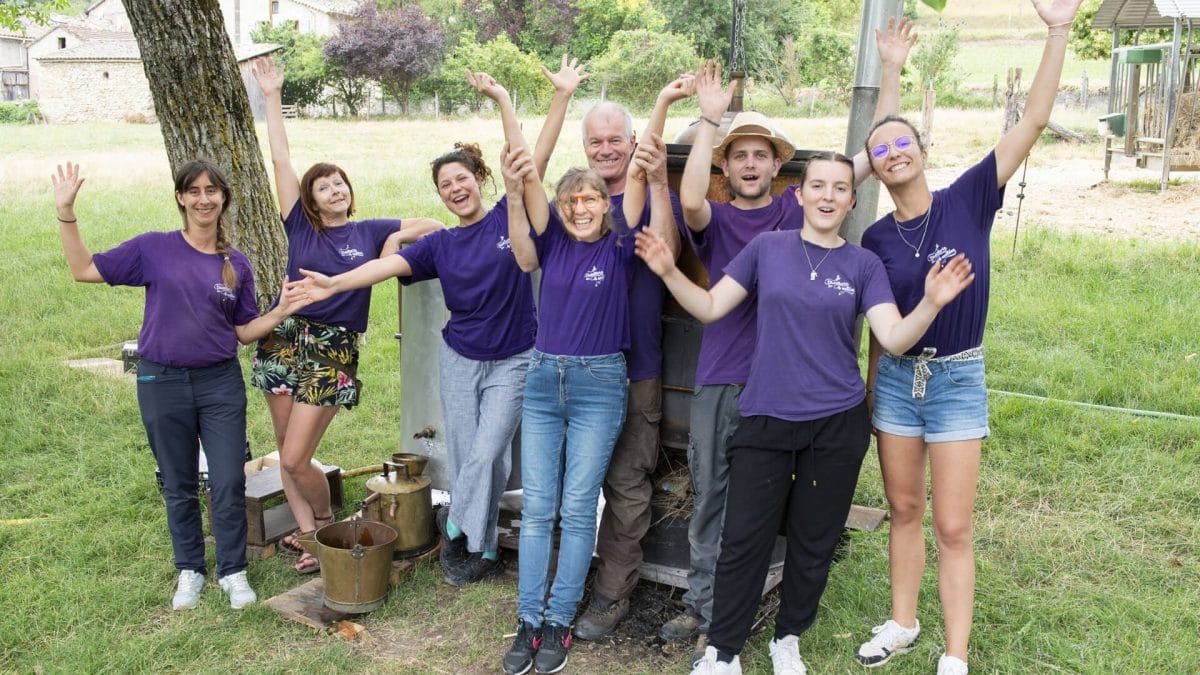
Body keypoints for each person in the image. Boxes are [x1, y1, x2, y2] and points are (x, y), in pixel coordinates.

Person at [635, 152, 974, 675]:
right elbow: (708, 307)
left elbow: (894, 337)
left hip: (836, 425)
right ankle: (723, 651)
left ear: (852, 200)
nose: (828, 196)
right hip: (767, 416)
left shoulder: (864, 264)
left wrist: (929, 302)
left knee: (813, 542)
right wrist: (665, 270)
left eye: (840, 188)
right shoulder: (766, 249)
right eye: (817, 185)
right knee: (745, 538)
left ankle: (787, 639)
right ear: (800, 194)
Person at [662, 21, 914, 652]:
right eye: (738, 155)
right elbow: (689, 197)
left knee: (789, 514)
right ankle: (708, 611)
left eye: (761, 155)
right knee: (714, 495)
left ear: (782, 171)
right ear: (727, 166)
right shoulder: (718, 219)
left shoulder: (797, 209)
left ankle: (776, 617)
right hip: (728, 374)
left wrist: (890, 72)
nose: (750, 164)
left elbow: (869, 157)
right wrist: (710, 119)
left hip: (797, 386)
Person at [854, 3, 1082, 673]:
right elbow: (880, 324)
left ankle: (954, 653)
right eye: (882, 150)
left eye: (905, 144)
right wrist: (871, 391)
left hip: (957, 377)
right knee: (901, 508)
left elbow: (1032, 121)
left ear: (925, 150)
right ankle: (902, 621)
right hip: (897, 380)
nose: (894, 153)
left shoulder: (970, 195)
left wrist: (1059, 30)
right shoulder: (873, 237)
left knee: (952, 525)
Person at [286, 71, 541, 588]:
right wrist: (334, 284)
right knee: (472, 454)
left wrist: (502, 98)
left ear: (479, 178)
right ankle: (483, 544)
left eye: (461, 179)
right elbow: (383, 269)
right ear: (441, 196)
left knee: (490, 451)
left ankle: (456, 528)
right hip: (460, 357)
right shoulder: (440, 245)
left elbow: (528, 161)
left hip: (515, 356)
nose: (455, 189)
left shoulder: (505, 217)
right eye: (445, 186)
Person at [52, 159, 309, 611]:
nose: (204, 198)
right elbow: (84, 270)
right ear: (180, 197)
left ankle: (233, 572)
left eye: (213, 190)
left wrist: (282, 308)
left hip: (219, 384)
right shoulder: (154, 249)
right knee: (179, 481)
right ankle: (189, 570)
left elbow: (244, 331)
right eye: (194, 191)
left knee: (229, 480)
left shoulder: (236, 263)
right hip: (161, 380)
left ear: (223, 198)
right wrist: (66, 213)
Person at [248, 57, 444, 575]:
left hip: (333, 347)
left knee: (293, 458)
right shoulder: (301, 229)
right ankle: (311, 535)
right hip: (285, 337)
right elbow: (280, 162)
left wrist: (395, 240)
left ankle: (327, 518)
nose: (335, 190)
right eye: (324, 186)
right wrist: (273, 97)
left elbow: (432, 224)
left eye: (340, 184)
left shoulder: (368, 230)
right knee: (286, 448)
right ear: (310, 201)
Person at [533, 60, 693, 641]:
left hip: (635, 369)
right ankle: (557, 586)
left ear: (632, 143)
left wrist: (655, 179)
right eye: (595, 141)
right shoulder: (572, 201)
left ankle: (610, 594)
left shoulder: (648, 193)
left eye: (615, 140)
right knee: (559, 486)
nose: (605, 150)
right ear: (585, 146)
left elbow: (667, 252)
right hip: (564, 371)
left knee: (626, 483)